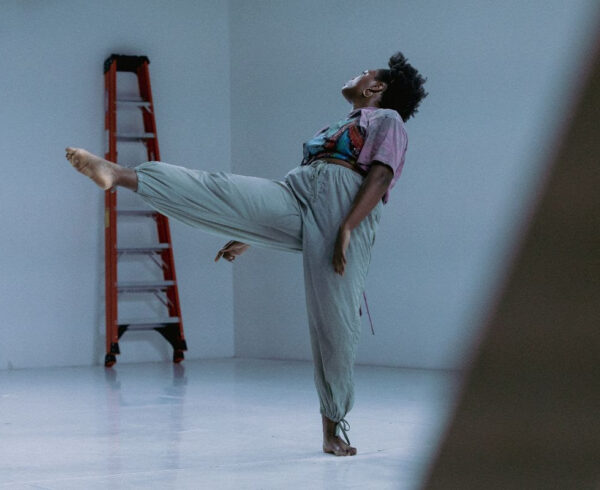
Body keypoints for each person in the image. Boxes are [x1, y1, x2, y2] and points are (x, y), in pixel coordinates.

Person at [64, 51, 428, 456]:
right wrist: (250, 230)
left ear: (376, 88)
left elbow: (380, 174)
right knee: (221, 188)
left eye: (364, 73)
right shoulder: (337, 125)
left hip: (347, 205)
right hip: (298, 190)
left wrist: (346, 227)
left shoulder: (388, 121)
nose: (355, 75)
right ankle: (119, 174)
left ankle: (333, 426)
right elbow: (302, 193)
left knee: (334, 322)